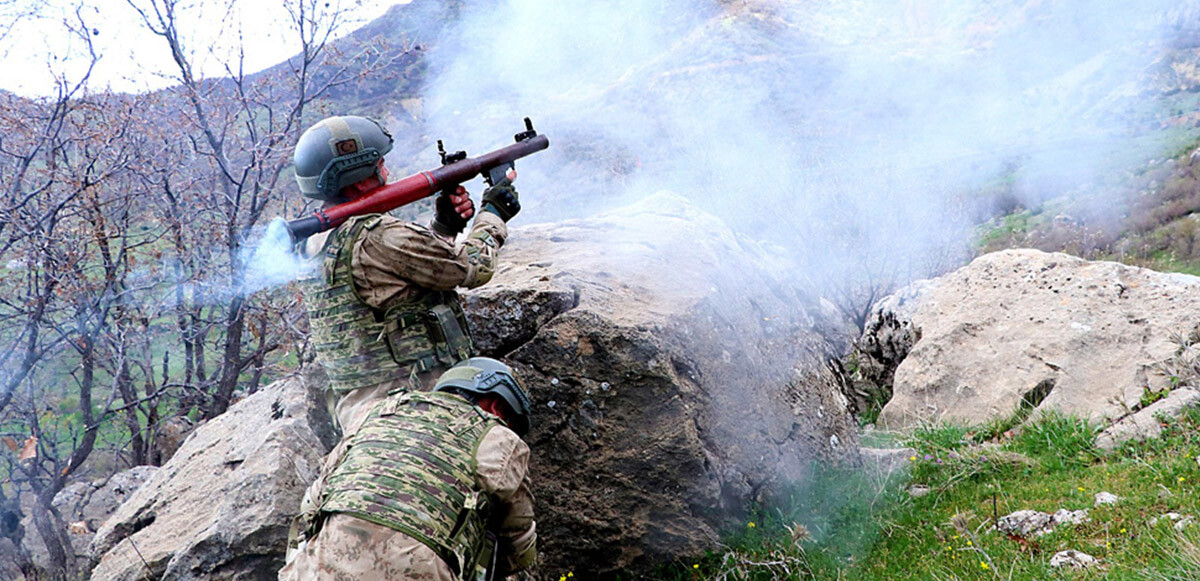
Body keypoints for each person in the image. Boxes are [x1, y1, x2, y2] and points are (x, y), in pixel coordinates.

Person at [290, 115, 522, 434]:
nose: (387, 171)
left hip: (363, 415)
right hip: (418, 407)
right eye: (380, 164)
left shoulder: (313, 242)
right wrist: (494, 213)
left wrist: (445, 227)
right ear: (359, 177)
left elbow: (394, 279)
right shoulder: (377, 234)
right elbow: (472, 268)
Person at [279, 357, 538, 580]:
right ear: (496, 407)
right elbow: (518, 549)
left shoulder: (376, 410)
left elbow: (312, 505)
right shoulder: (502, 440)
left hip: (319, 568)